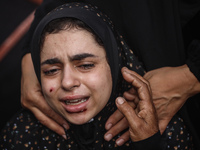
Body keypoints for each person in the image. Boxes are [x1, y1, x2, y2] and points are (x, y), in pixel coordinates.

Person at [0, 3, 193, 149]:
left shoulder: (164, 133)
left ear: (116, 65)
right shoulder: (21, 136)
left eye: (85, 65)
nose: (67, 82)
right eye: (51, 71)